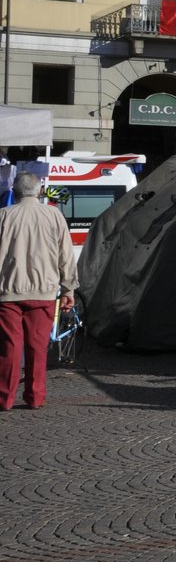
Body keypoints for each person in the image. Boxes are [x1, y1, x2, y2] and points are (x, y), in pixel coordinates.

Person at [0, 171, 77, 410]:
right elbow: (66, 255)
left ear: (14, 190)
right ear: (39, 190)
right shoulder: (53, 215)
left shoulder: (3, 215)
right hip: (43, 291)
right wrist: (69, 289)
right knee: (37, 346)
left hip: (8, 292)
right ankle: (35, 396)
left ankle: (5, 398)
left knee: (9, 348)